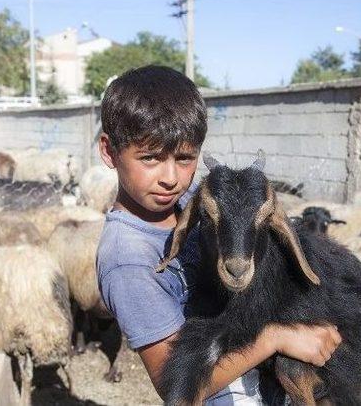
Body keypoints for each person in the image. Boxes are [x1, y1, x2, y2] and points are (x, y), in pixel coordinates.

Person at [96, 65, 342, 404]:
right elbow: (175, 387)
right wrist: (276, 339)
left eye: (185, 158)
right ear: (109, 152)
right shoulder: (129, 259)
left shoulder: (188, 203)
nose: (171, 177)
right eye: (150, 158)